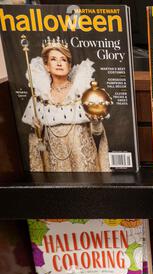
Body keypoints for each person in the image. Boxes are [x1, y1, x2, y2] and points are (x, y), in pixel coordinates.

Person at [22, 36, 110, 172]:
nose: (59, 63)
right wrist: (38, 130)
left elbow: (97, 133)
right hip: (57, 163)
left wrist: (96, 122)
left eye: (63, 60)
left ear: (69, 66)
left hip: (84, 161)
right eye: (53, 59)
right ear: (46, 66)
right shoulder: (40, 97)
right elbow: (38, 142)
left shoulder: (82, 92)